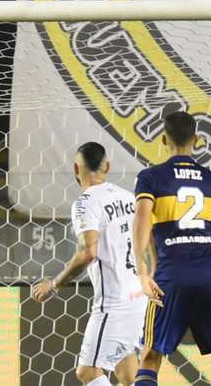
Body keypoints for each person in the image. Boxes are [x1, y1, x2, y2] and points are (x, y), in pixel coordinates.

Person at [133, 111, 211, 385]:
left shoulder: (151, 177)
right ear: (198, 139)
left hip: (172, 278)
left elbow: (143, 221)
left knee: (151, 357)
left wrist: (143, 273)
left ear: (163, 139)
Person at [32, 142, 146, 385]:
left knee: (87, 371)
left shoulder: (86, 202)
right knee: (127, 370)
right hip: (138, 296)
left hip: (113, 304)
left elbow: (88, 253)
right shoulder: (128, 198)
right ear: (107, 166)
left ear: (76, 168)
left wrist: (53, 285)